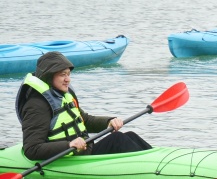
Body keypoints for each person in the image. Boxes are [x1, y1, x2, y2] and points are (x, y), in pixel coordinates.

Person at [15, 51, 152, 161]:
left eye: (68, 74)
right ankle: (153, 167)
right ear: (49, 77)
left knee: (130, 135)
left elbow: (84, 120)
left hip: (85, 153)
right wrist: (69, 145)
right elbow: (32, 149)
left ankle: (156, 159)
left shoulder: (62, 95)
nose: (68, 79)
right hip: (69, 160)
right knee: (118, 139)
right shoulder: (36, 106)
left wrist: (109, 121)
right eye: (63, 75)